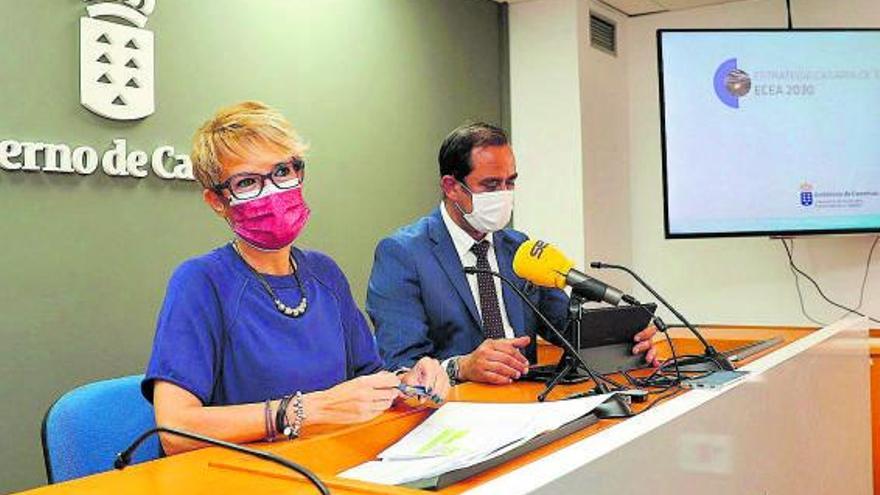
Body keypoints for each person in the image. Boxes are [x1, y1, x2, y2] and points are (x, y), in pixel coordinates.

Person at [142, 101, 449, 455]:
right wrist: (304, 411)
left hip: (336, 462)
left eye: (282, 171)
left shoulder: (325, 274)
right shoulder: (200, 282)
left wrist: (408, 384)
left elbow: (368, 379)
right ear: (216, 201)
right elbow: (175, 430)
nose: (272, 191)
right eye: (247, 182)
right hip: (246, 473)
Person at [366, 122, 658, 385]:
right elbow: (400, 365)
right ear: (452, 187)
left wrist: (626, 340)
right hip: (455, 408)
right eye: (491, 185)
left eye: (510, 182)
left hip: (528, 399)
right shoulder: (403, 254)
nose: (504, 194)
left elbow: (567, 327)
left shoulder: (520, 249)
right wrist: (461, 367)